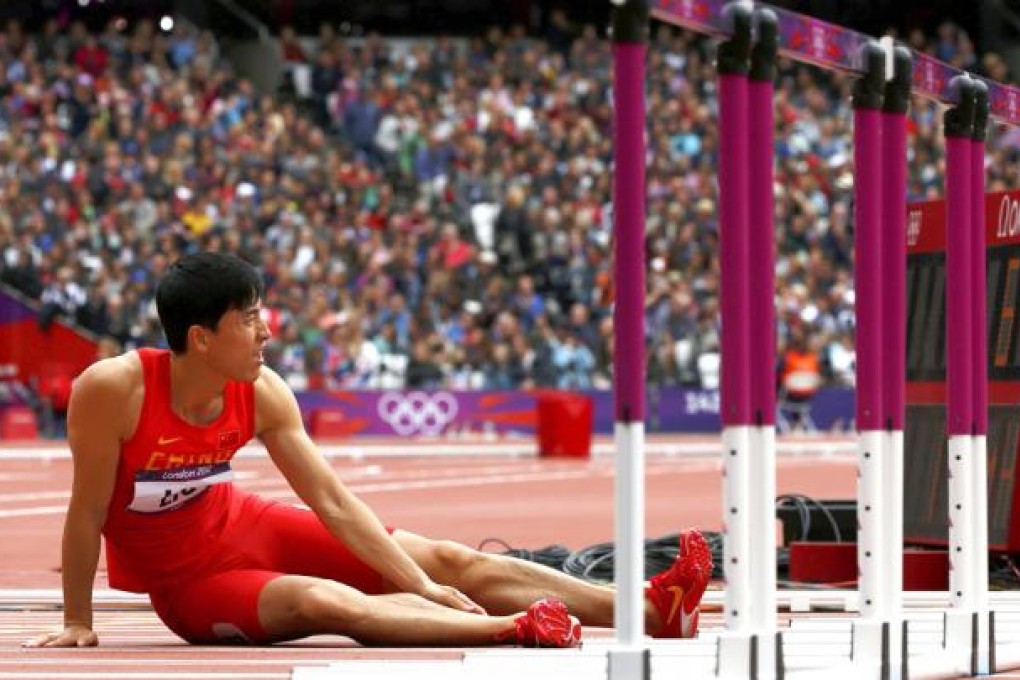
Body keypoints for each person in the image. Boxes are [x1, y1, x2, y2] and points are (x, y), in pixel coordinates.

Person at [24, 252, 712, 649]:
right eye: (250, 317)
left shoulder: (263, 392)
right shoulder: (114, 390)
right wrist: (78, 621)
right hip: (191, 585)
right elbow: (86, 514)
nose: (267, 331)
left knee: (448, 558)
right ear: (201, 337)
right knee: (329, 603)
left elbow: (330, 500)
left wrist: (420, 581)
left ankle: (651, 611)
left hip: (243, 524)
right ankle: (513, 630)